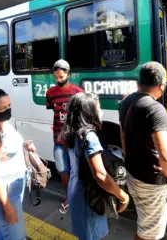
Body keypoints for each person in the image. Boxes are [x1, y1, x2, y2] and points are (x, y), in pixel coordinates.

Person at [119, 62, 167, 240]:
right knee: (149, 233)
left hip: (133, 173)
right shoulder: (155, 109)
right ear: (161, 85)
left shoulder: (127, 100)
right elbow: (166, 155)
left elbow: (122, 134)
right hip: (150, 181)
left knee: (145, 223)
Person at [62, 92, 130, 240]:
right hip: (89, 199)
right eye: (98, 108)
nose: (100, 111)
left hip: (76, 192)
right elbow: (100, 175)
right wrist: (122, 196)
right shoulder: (90, 137)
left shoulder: (72, 133)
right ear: (89, 111)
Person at [0, 89, 35, 240]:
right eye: (2, 108)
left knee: (5, 233)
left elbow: (6, 150)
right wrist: (7, 207)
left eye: (9, 106)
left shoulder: (3, 124)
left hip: (14, 190)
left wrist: (23, 146)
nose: (7, 110)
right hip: (4, 194)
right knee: (17, 237)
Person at [46, 59, 83, 214]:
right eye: (56, 77)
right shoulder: (50, 93)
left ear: (69, 74)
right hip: (58, 140)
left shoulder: (78, 93)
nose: (59, 80)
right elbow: (53, 111)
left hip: (74, 140)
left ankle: (75, 198)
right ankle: (68, 196)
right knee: (62, 170)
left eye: (61, 76)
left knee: (76, 170)